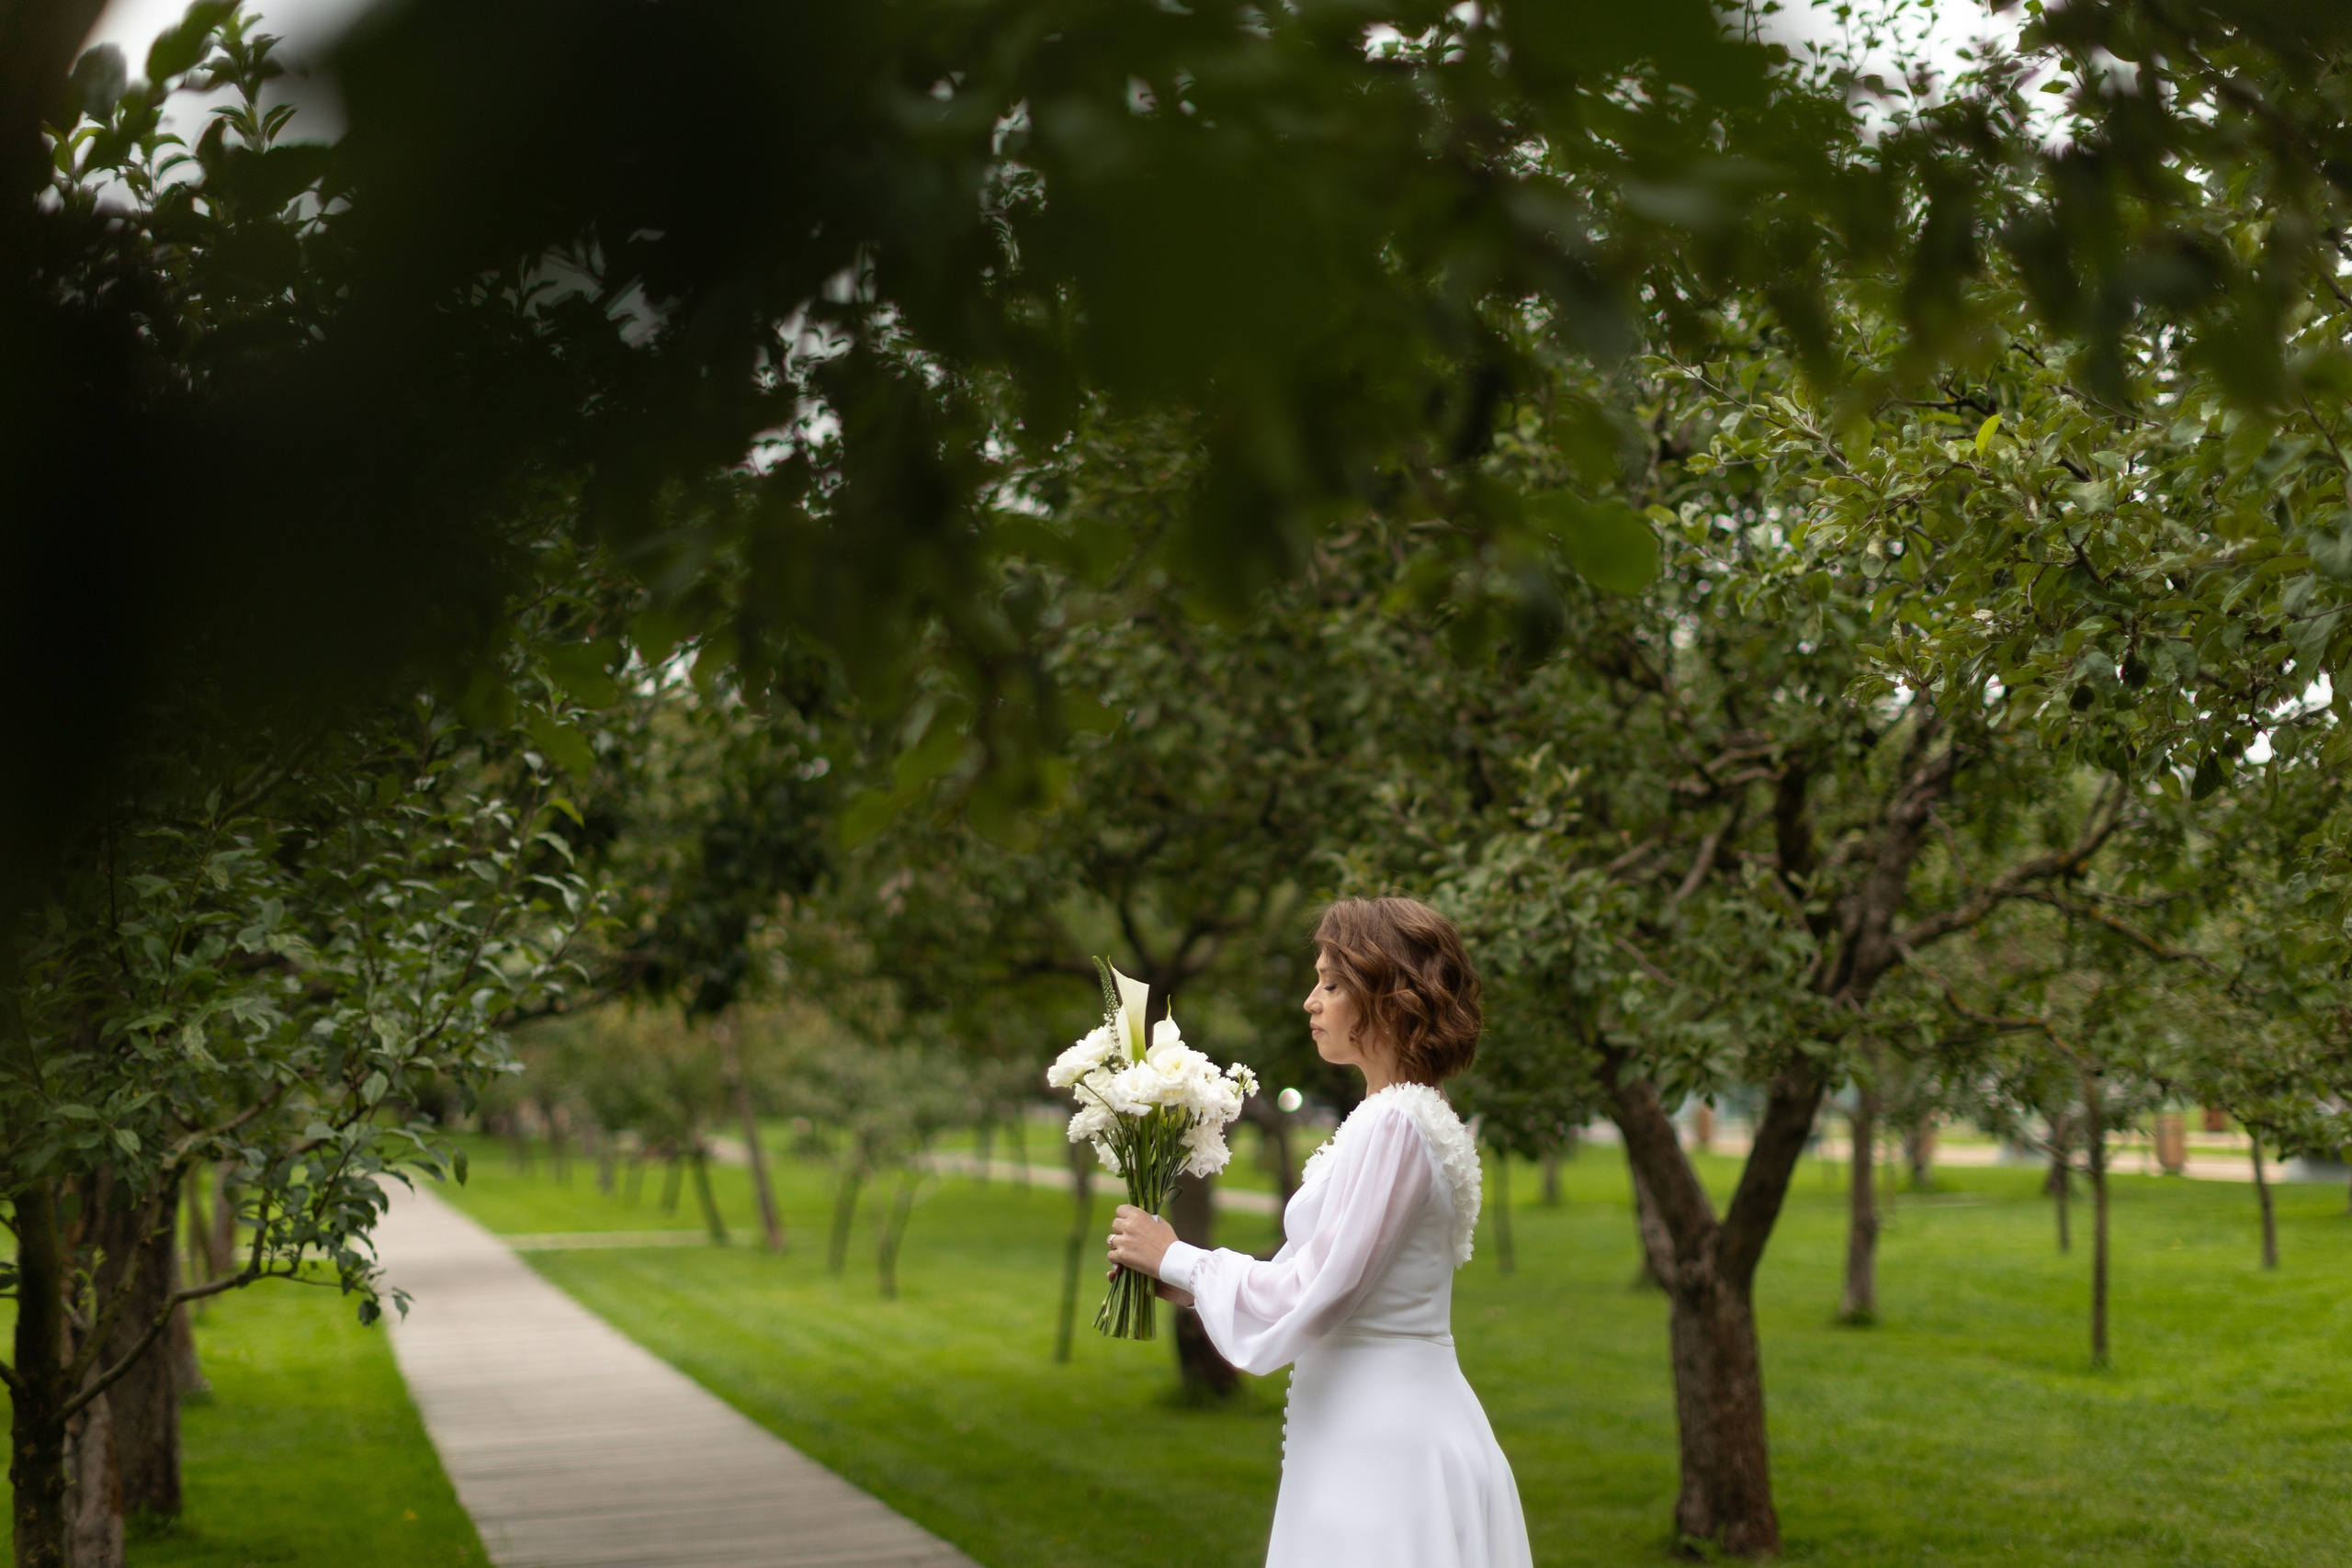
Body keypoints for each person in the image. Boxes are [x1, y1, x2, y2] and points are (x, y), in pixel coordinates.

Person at [1106, 897, 1533, 1568]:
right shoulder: (1413, 1115)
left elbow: (1320, 1289)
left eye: (1332, 985)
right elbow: (1332, 1276)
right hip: (1384, 1417)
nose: (1311, 1001)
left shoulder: (1393, 1124)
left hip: (1381, 1443)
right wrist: (1181, 1282)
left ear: (1390, 997)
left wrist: (1181, 1258)